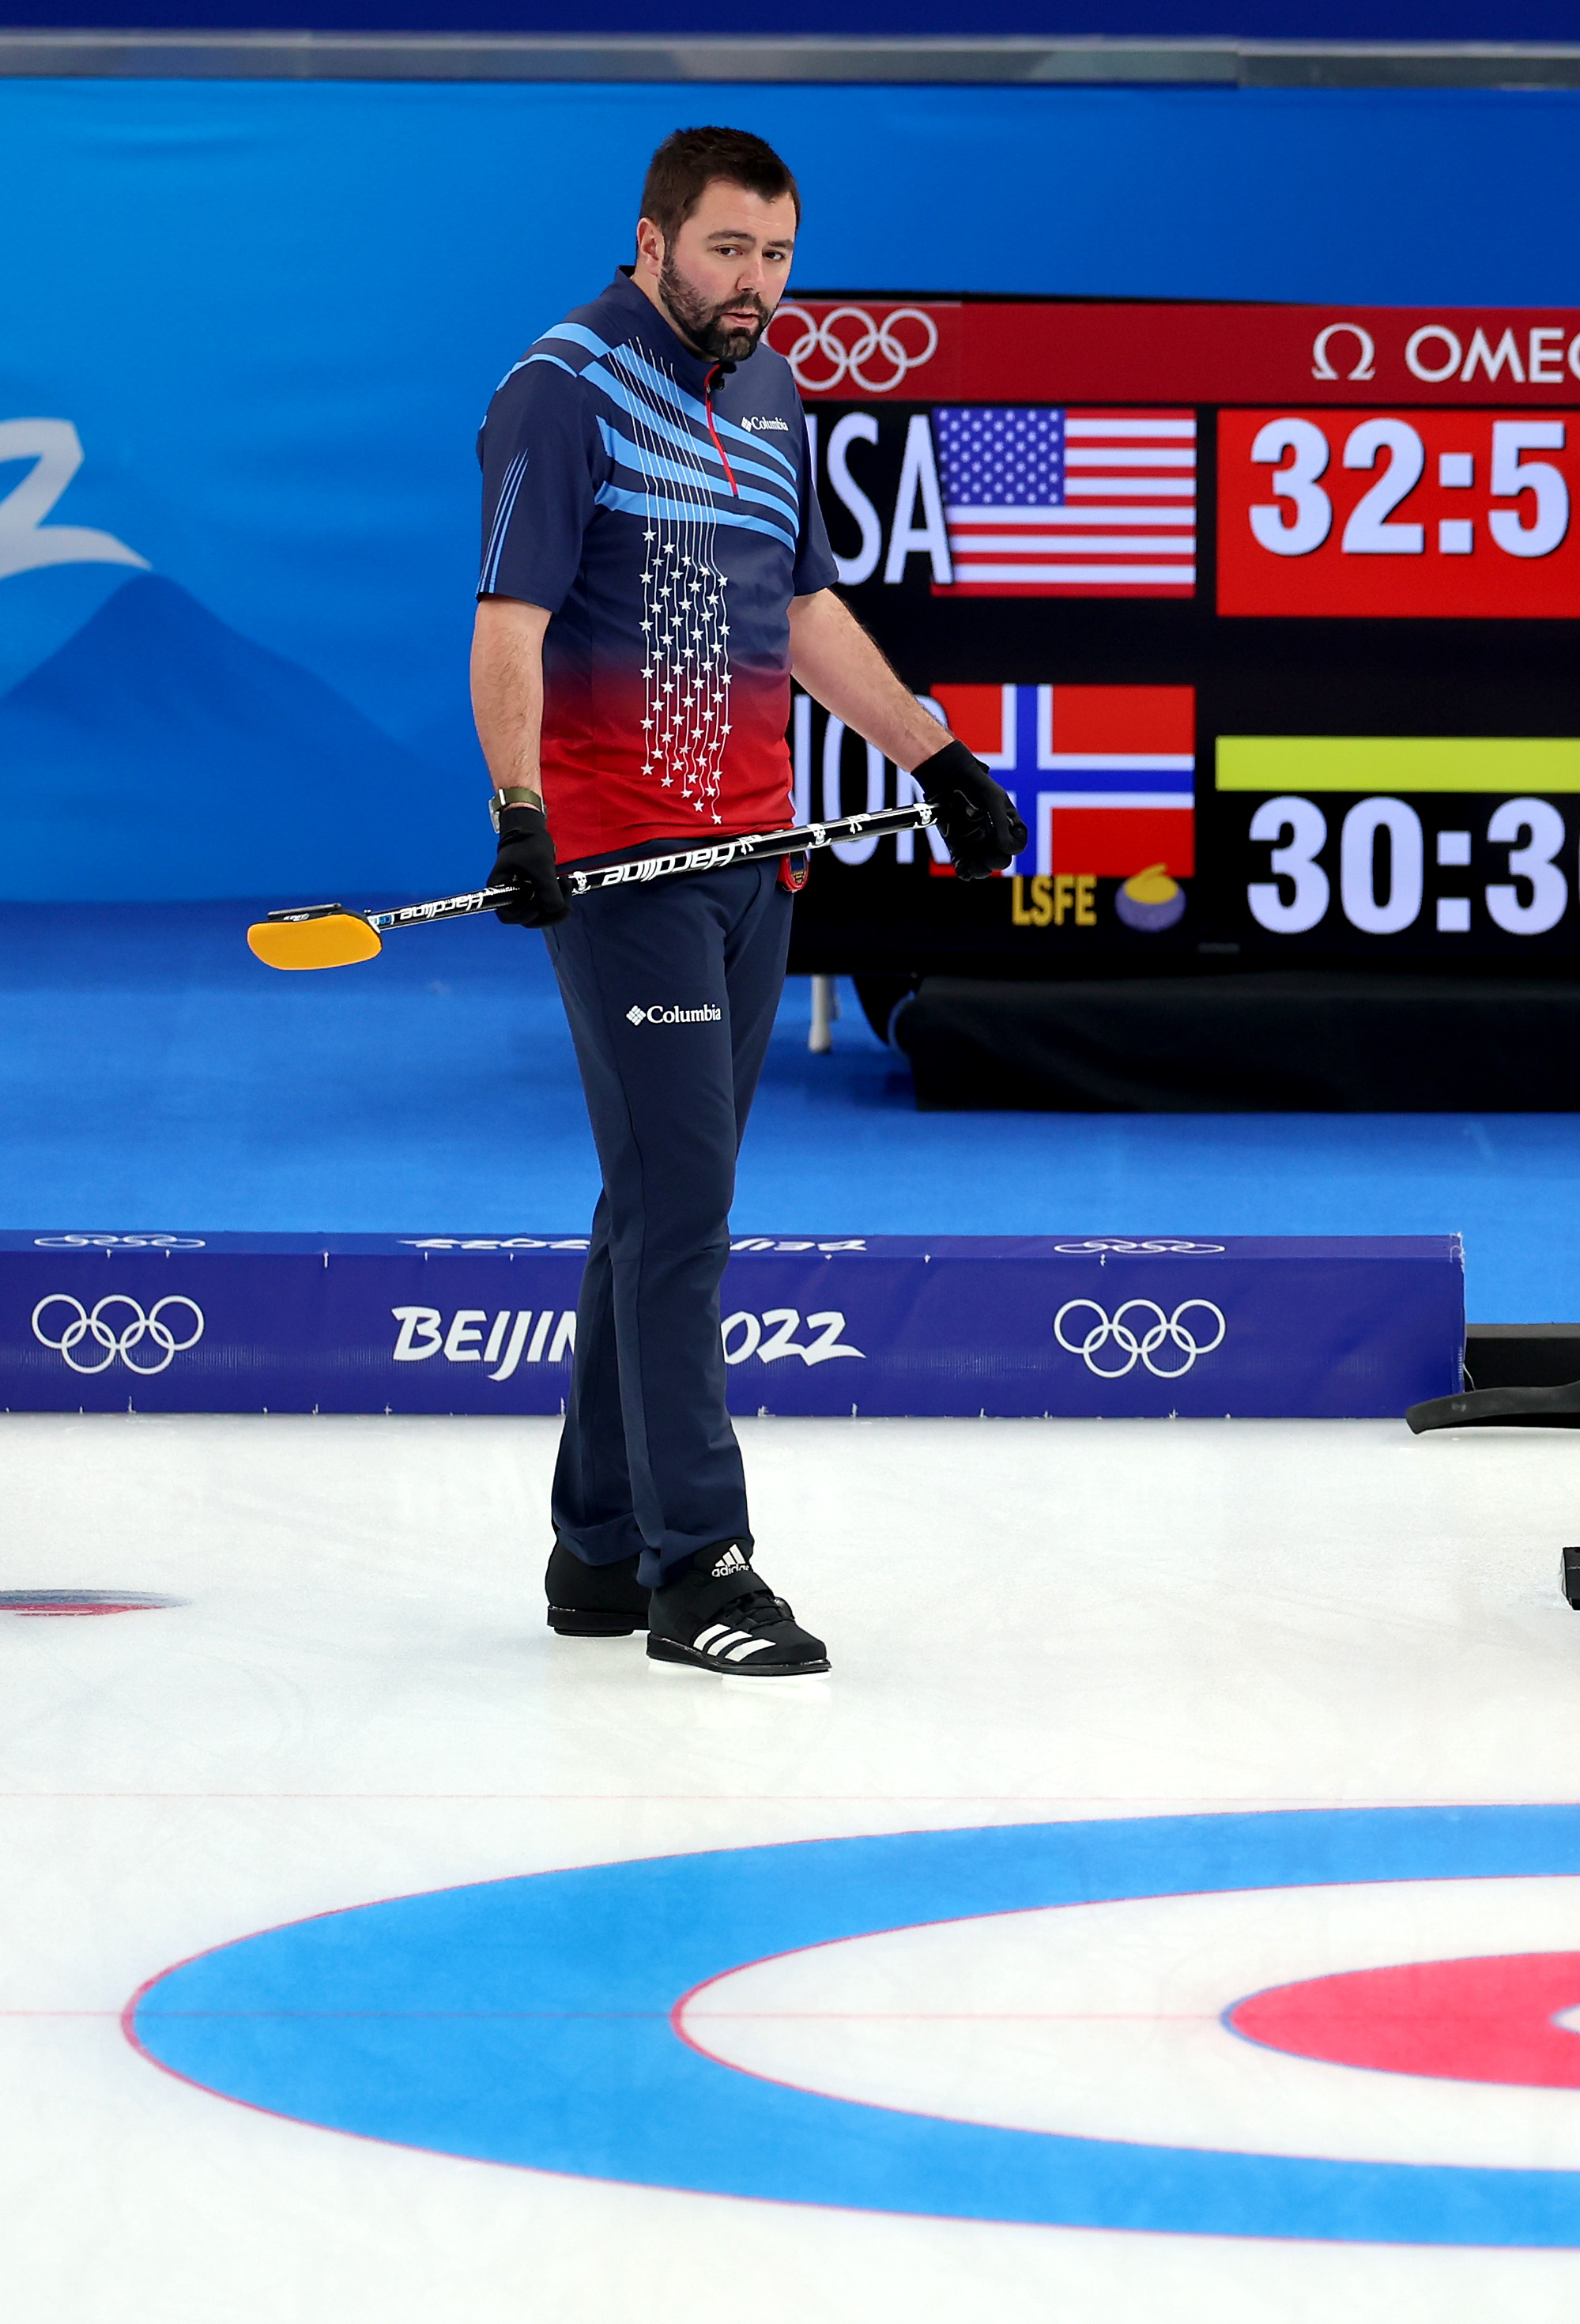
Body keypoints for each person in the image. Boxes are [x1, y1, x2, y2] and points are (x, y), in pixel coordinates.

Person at [477, 126, 1024, 1677]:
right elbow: (508, 623)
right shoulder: (561, 391)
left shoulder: (772, 387)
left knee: (652, 1203)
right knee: (684, 1211)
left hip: (753, 857)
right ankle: (695, 1568)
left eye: (778, 255)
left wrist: (935, 754)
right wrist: (522, 815)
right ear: (652, 241)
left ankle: (595, 1547)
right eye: (729, 252)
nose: (757, 284)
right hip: (625, 867)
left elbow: (802, 606)